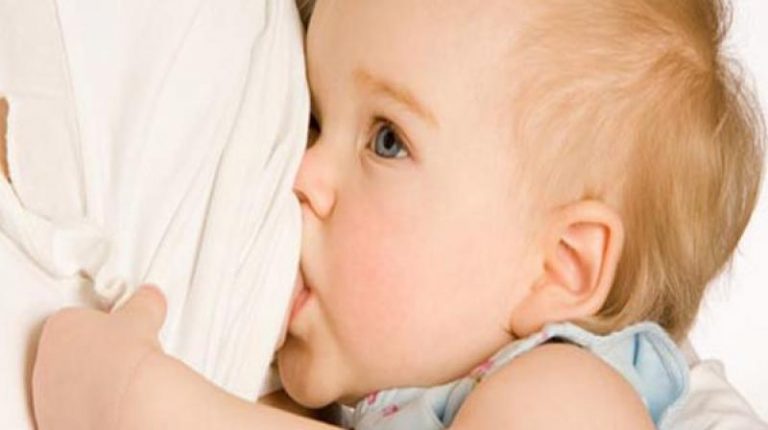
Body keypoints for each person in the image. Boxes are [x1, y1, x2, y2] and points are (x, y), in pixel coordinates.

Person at [31, 0, 766, 428]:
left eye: (387, 140)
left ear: (561, 267)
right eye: (315, 119)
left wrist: (143, 403)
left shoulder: (567, 394)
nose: (302, 174)